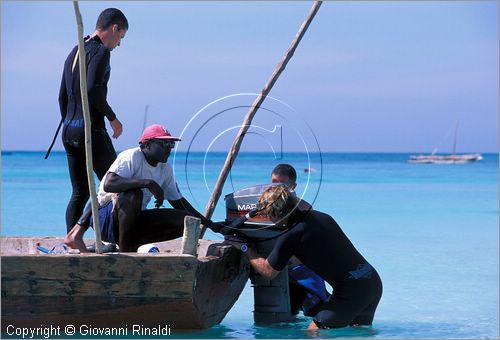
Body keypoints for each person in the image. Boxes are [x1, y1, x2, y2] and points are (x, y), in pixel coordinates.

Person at [225, 185, 382, 329]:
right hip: (372, 281)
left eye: (266, 214)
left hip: (352, 293)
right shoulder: (323, 217)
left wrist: (246, 248)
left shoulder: (290, 236)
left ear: (273, 213)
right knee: (359, 333)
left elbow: (268, 272)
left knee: (313, 332)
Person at [64, 124, 213, 253]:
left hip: (133, 222)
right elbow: (109, 183)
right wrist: (148, 183)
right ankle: (125, 252)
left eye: (171, 145)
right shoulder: (131, 156)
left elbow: (179, 202)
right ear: (146, 145)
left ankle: (130, 245)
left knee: (184, 219)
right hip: (106, 219)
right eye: (164, 144)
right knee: (133, 195)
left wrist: (212, 225)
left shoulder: (165, 169)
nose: (169, 149)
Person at [58, 8, 128, 232]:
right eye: (121, 37)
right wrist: (113, 118)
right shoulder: (100, 52)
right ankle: (117, 238)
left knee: (80, 192)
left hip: (68, 131)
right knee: (118, 185)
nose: (119, 44)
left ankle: (72, 240)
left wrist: (70, 122)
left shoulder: (76, 49)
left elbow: (61, 96)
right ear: (114, 28)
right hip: (91, 132)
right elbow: (91, 90)